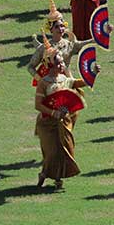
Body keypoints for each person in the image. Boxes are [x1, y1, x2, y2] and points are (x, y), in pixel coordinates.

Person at [34, 46, 92, 189]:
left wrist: (92, 73)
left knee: (65, 149)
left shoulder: (64, 78)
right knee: (52, 152)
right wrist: (54, 113)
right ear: (50, 65)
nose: (62, 65)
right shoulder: (44, 83)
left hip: (63, 122)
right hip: (47, 123)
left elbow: (77, 83)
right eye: (59, 63)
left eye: (62, 63)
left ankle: (58, 177)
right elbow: (38, 105)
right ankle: (44, 173)